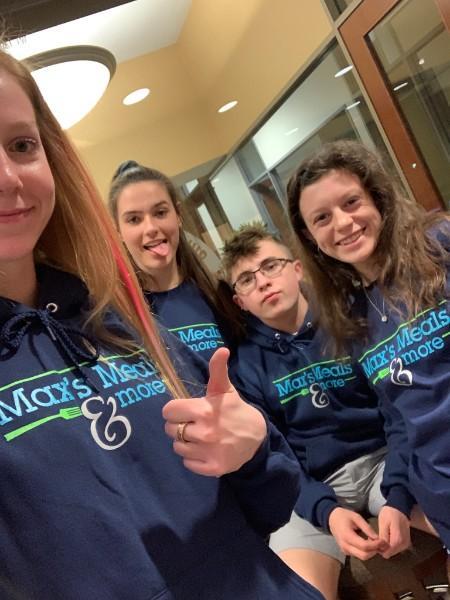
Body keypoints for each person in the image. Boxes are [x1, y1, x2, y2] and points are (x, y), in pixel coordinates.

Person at [0, 45, 326, 599]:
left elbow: (266, 504)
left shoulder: (119, 320)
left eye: (21, 145)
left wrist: (250, 449)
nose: (9, 177)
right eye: (133, 218)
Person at [222, 223, 425, 599]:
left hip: (384, 460)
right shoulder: (244, 367)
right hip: (310, 484)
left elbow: (397, 408)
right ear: (240, 302)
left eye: (271, 266)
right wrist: (327, 511)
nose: (263, 282)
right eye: (247, 280)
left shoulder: (348, 320)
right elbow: (271, 457)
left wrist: (398, 493)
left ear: (297, 269)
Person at [287, 139, 450, 563]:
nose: (343, 223)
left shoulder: (440, 244)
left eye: (351, 202)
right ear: (310, 237)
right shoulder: (350, 314)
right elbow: (398, 417)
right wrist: (397, 497)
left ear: (376, 197)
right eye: (322, 218)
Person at [108, 161, 243, 360]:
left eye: (160, 213)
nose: (151, 228)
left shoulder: (219, 295)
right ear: (117, 230)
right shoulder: (114, 317)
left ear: (178, 215)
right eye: (134, 219)